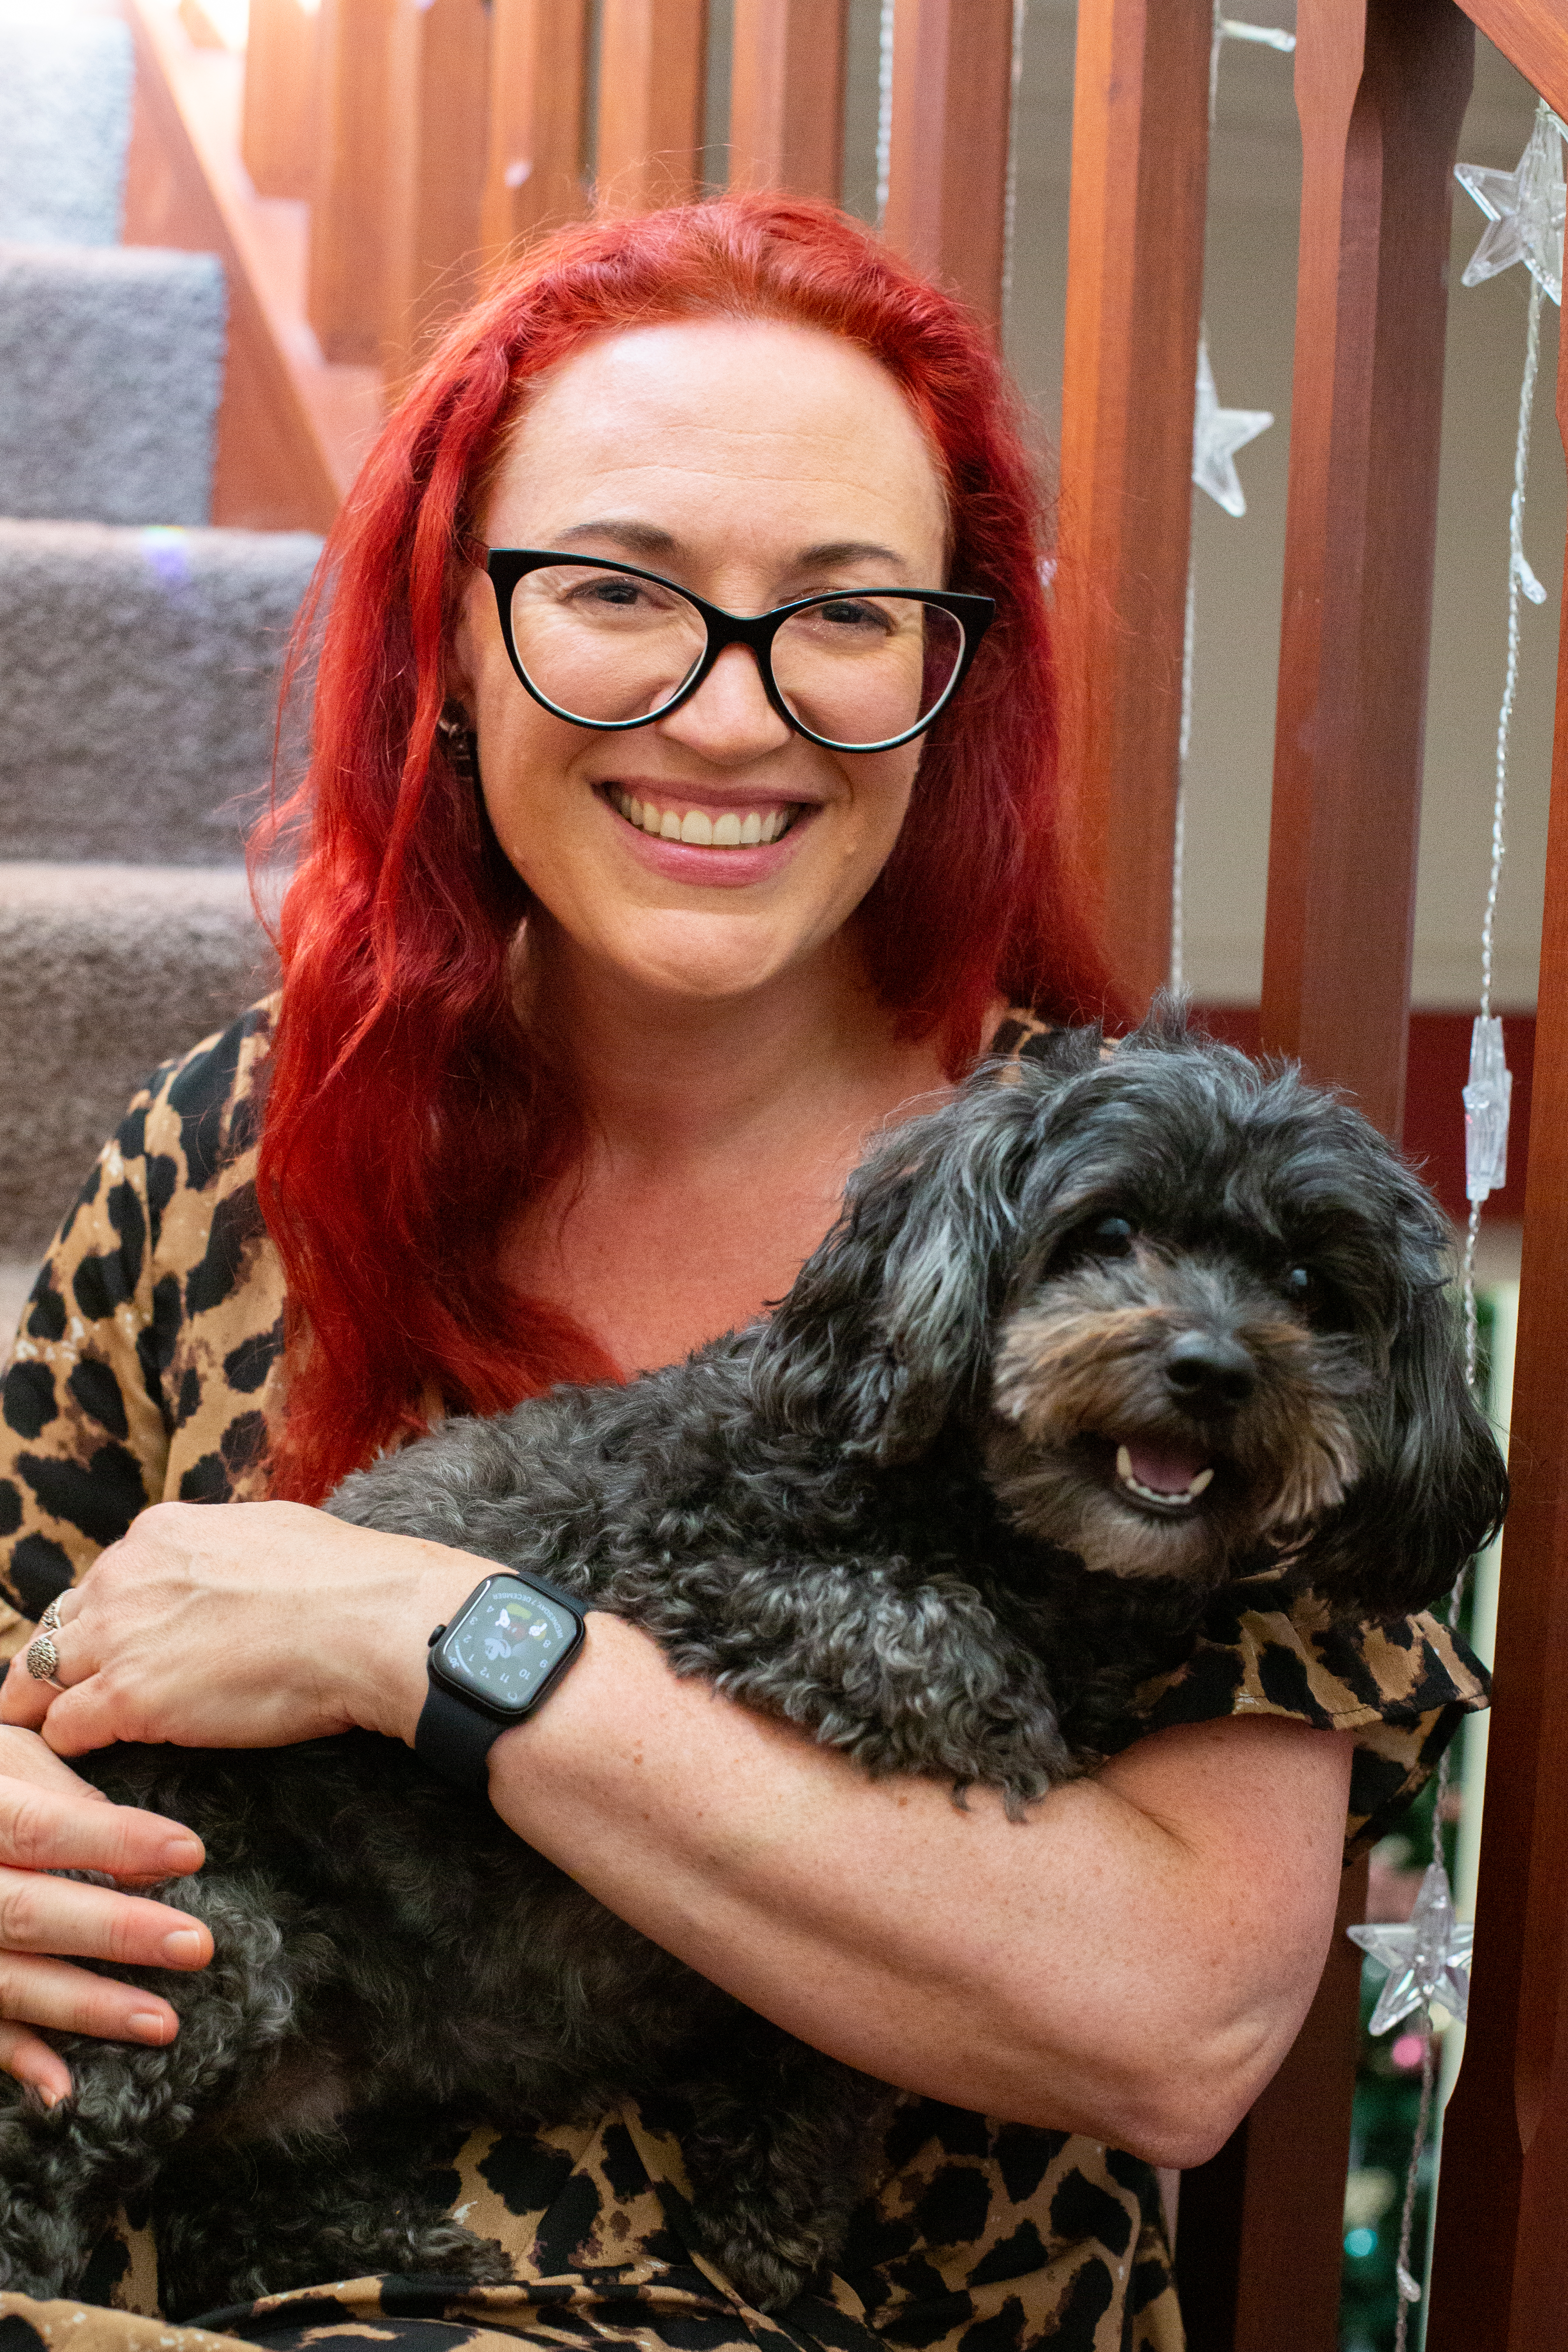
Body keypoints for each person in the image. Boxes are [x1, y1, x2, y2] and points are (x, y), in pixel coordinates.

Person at [0, 196, 1485, 2352]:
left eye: (840, 614)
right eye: (615, 590)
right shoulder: (241, 1144)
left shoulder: (1207, 1285)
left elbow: (1166, 2027)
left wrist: (439, 1632)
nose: (726, 709)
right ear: (448, 638)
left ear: (945, 675)